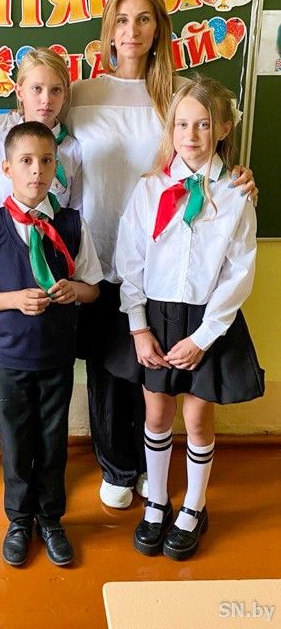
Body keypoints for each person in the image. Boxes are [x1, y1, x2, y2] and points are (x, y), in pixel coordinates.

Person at [0, 0, 256, 510]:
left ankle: (150, 467)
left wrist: (240, 175)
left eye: (143, 19)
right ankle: (118, 466)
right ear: (108, 30)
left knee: (156, 371)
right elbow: (13, 129)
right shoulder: (80, 93)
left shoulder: (179, 93)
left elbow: (208, 146)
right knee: (109, 369)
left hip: (164, 262)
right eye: (121, 19)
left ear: (159, 29)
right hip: (93, 254)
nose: (132, 31)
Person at [116, 77, 264, 561]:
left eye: (203, 124)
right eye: (182, 124)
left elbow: (238, 273)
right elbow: (130, 261)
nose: (191, 135)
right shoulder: (149, 188)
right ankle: (157, 502)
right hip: (156, 316)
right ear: (171, 128)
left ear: (223, 128)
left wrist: (204, 337)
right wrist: (139, 328)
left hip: (208, 322)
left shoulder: (237, 194)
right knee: (157, 413)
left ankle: (194, 506)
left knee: (198, 418)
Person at [0, 122, 102, 566]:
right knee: (16, 443)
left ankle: (52, 519)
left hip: (56, 355)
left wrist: (74, 290)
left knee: (53, 440)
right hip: (9, 357)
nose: (36, 170)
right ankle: (20, 520)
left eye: (45, 160)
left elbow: (93, 289)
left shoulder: (72, 225)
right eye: (25, 161)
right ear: (7, 168)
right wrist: (13, 300)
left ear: (56, 167)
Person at [0, 47, 82, 214]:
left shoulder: (75, 150)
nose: (46, 99)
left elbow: (78, 214)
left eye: (56, 90)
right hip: (6, 231)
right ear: (19, 92)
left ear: (65, 94)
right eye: (36, 88)